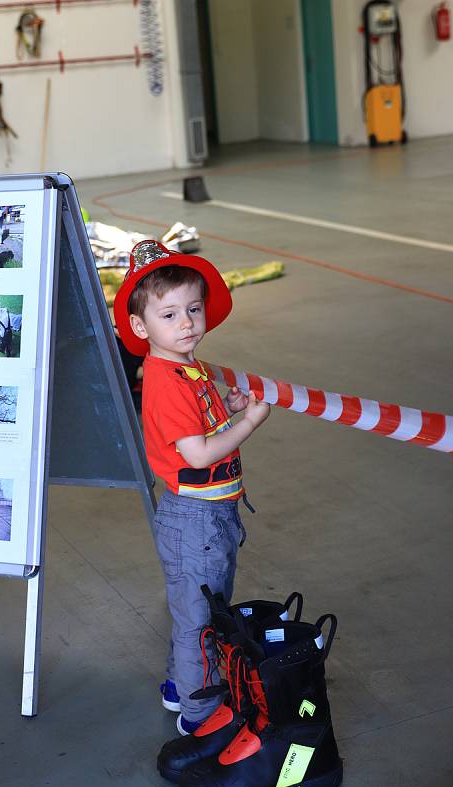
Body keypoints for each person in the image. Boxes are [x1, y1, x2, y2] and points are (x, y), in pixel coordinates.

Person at [113, 240, 270, 735]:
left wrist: (227, 404)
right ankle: (199, 719)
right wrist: (249, 421)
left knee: (197, 609)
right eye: (169, 314)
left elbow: (197, 426)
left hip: (208, 516)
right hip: (195, 520)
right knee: (200, 620)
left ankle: (180, 687)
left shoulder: (185, 367)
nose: (186, 323)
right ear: (141, 327)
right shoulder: (168, 380)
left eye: (193, 309)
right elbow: (199, 453)